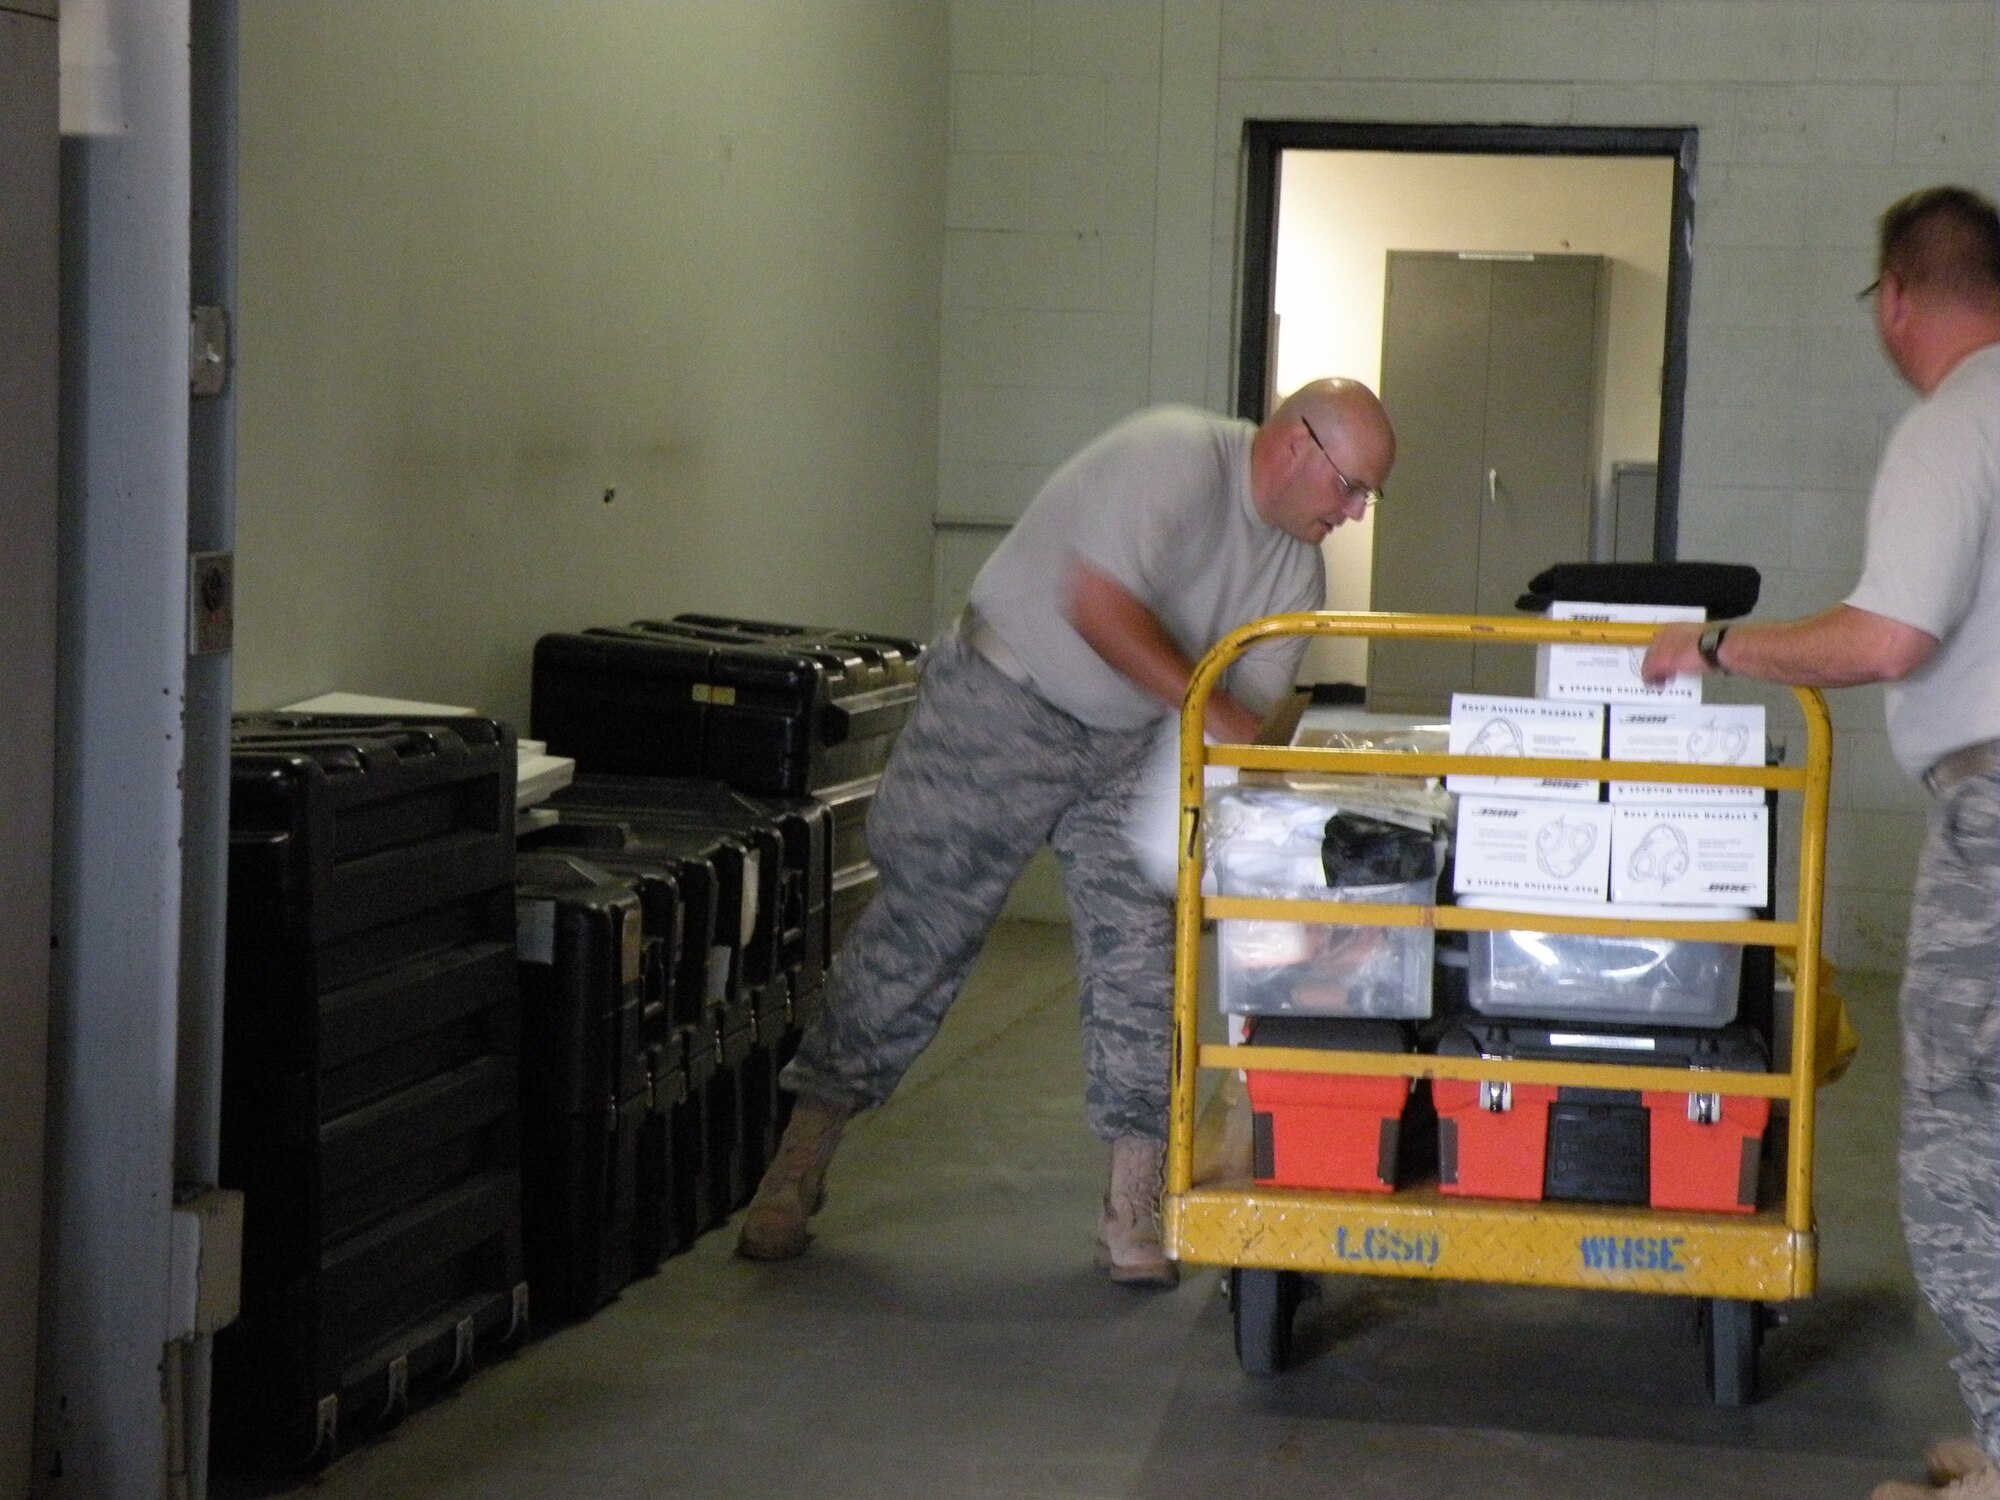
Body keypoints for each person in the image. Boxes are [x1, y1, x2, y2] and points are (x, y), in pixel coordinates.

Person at [737, 379, 1396, 1286]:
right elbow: (1100, 611)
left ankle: (1134, 1204)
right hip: (1003, 704)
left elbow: (1241, 720)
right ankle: (797, 1165)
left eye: (1368, 498)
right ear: (1296, 446)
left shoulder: (1295, 572)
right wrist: (1214, 713)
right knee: (920, 936)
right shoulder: (1172, 457)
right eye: (1353, 487)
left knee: (1144, 960)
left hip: (1129, 744)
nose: (1356, 513)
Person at [1640, 186, 2000, 1500]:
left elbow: (1887, 638)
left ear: (1897, 297)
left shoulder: (1956, 421)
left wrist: (1718, 646)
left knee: (1966, 1135)